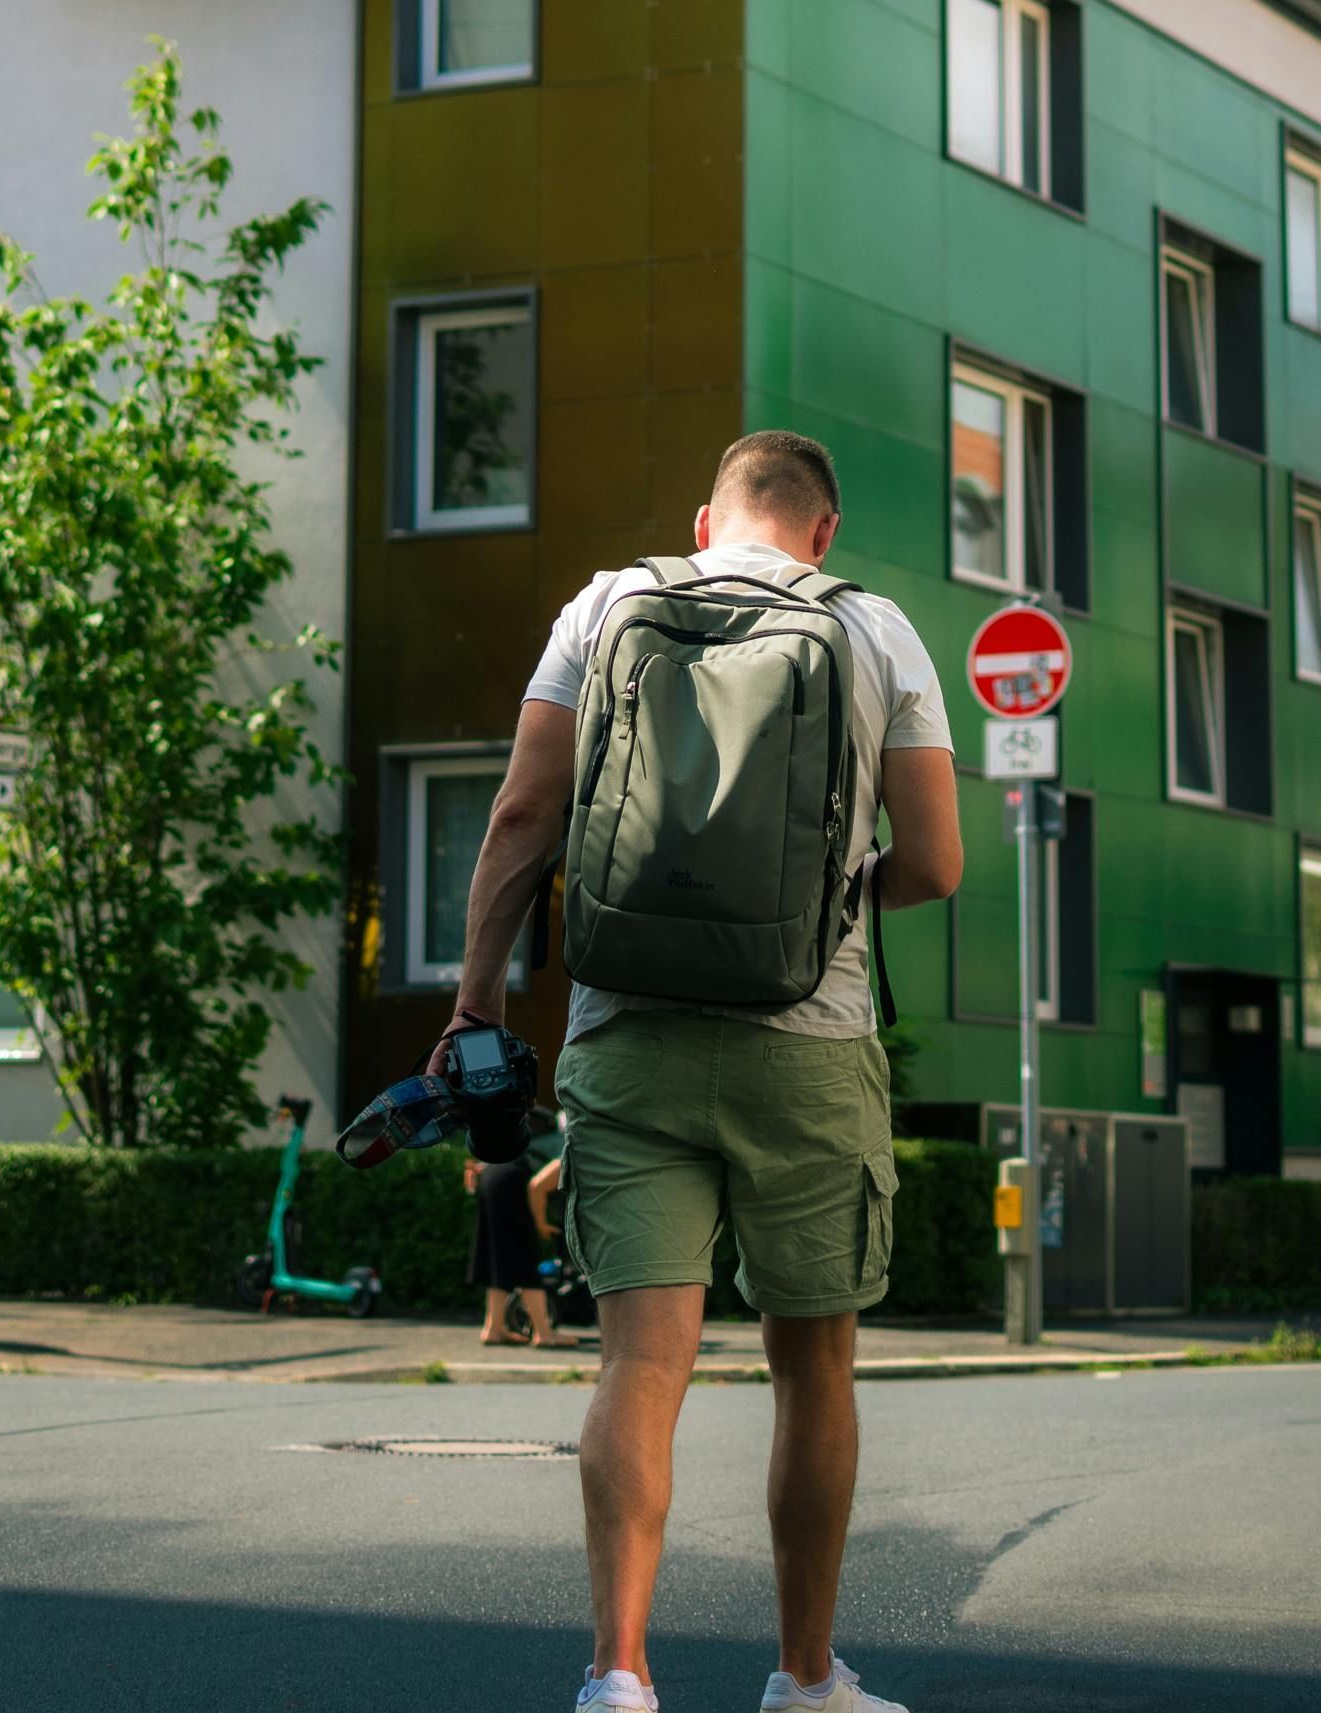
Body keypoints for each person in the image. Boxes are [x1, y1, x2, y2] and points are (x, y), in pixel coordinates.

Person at [433, 429, 964, 1713]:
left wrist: (476, 999)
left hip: (631, 1036)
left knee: (640, 1364)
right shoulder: (876, 628)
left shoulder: (608, 604)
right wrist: (838, 905)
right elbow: (937, 864)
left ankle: (618, 1674)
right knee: (813, 1369)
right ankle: (803, 1677)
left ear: (705, 515)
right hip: (812, 1043)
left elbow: (520, 817)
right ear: (821, 529)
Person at [466, 1112, 573, 1348]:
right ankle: (544, 1334)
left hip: (492, 1173)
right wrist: (540, 1224)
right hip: (511, 1182)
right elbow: (537, 1186)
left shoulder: (546, 1139)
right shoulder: (570, 1145)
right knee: (525, 1256)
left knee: (498, 1258)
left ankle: (493, 1328)